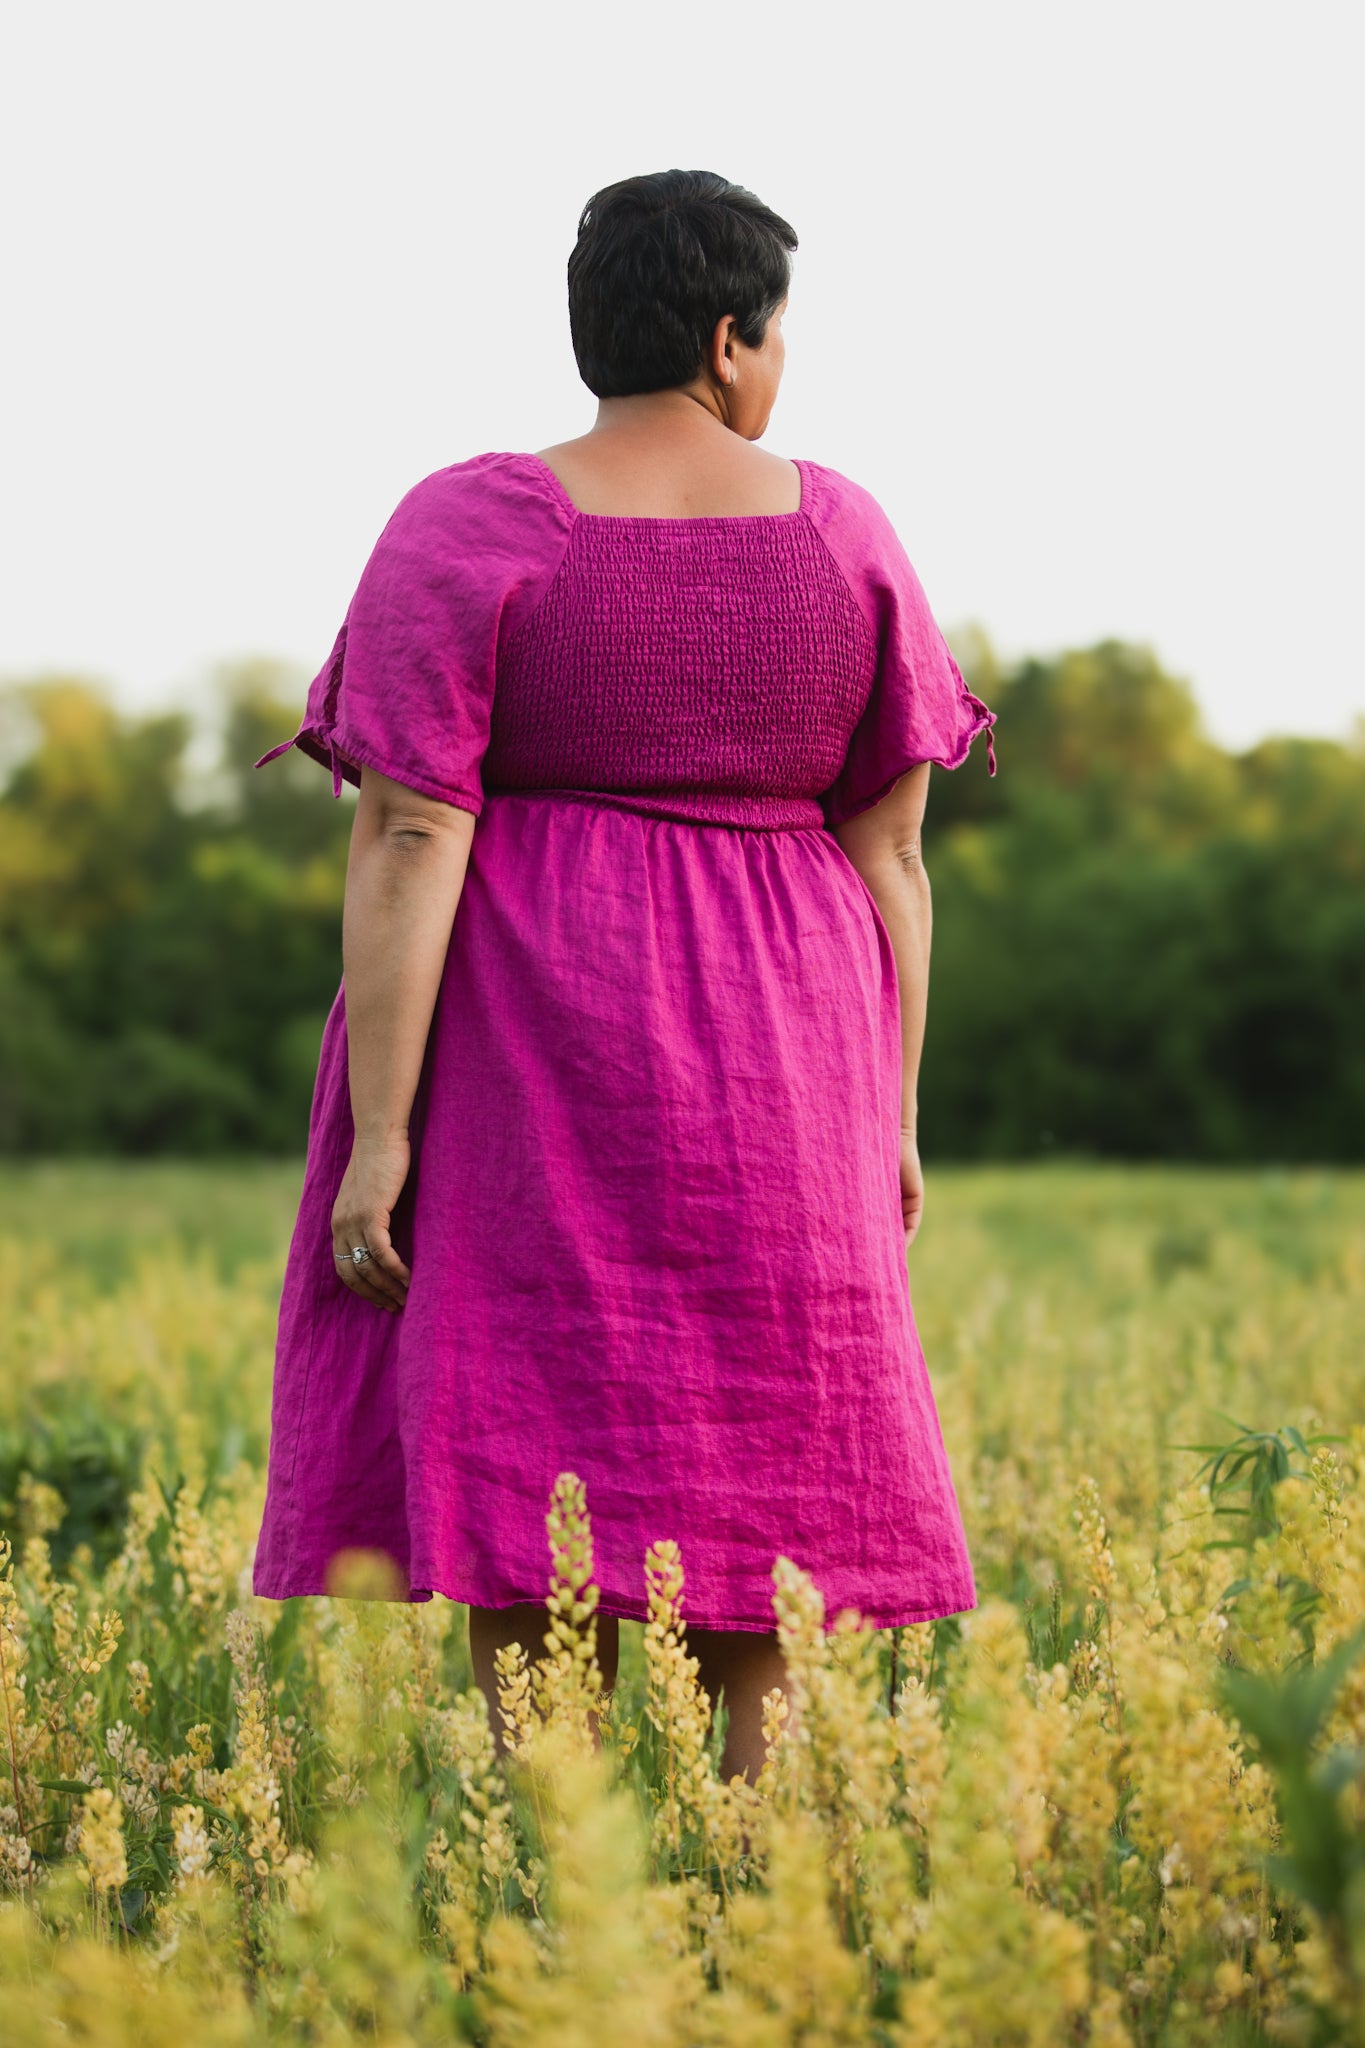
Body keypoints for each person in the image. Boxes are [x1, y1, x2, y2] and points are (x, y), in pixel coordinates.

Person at [251, 168, 997, 1784]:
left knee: (534, 1439)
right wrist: (894, 1112)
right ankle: (754, 1882)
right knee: (770, 1441)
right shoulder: (844, 531)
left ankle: (555, 1866)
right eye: (776, 332)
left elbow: (402, 836)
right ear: (733, 341)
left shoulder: (466, 520)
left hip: (530, 1040)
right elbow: (893, 859)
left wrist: (385, 1135)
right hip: (792, 1052)